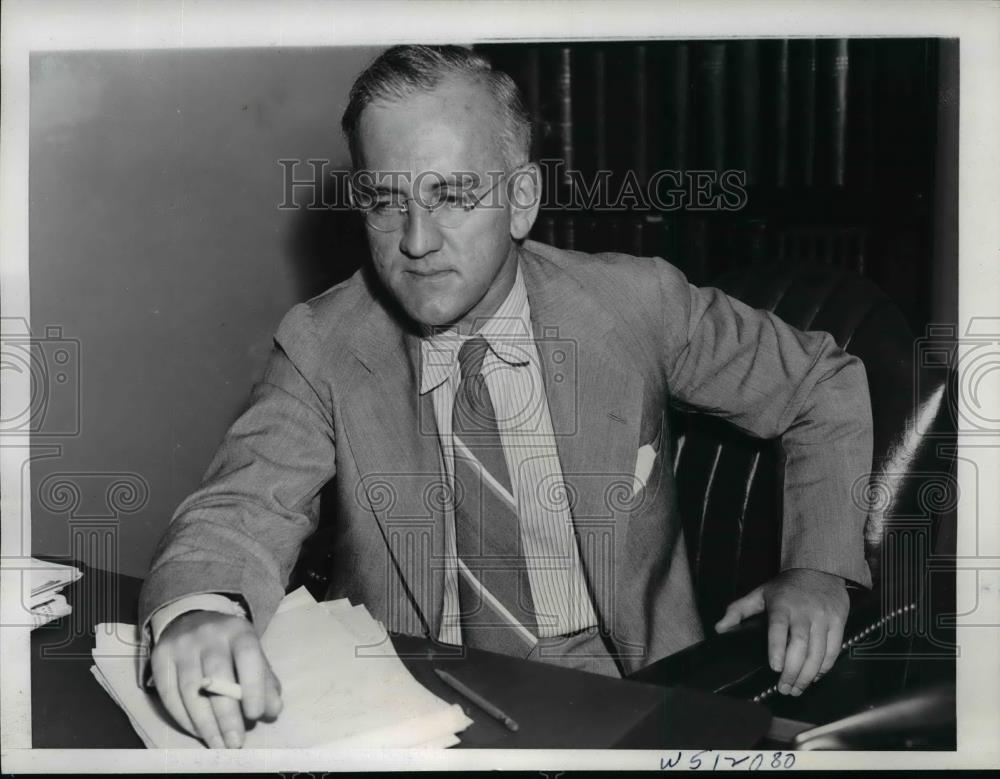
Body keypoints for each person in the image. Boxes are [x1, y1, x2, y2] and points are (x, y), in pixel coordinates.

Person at [138, 45, 874, 749]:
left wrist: (818, 567)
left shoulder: (635, 303)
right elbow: (240, 505)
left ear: (522, 199)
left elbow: (822, 382)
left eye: (453, 194)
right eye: (385, 200)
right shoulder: (324, 341)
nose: (416, 240)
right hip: (412, 696)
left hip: (630, 691)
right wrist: (200, 608)